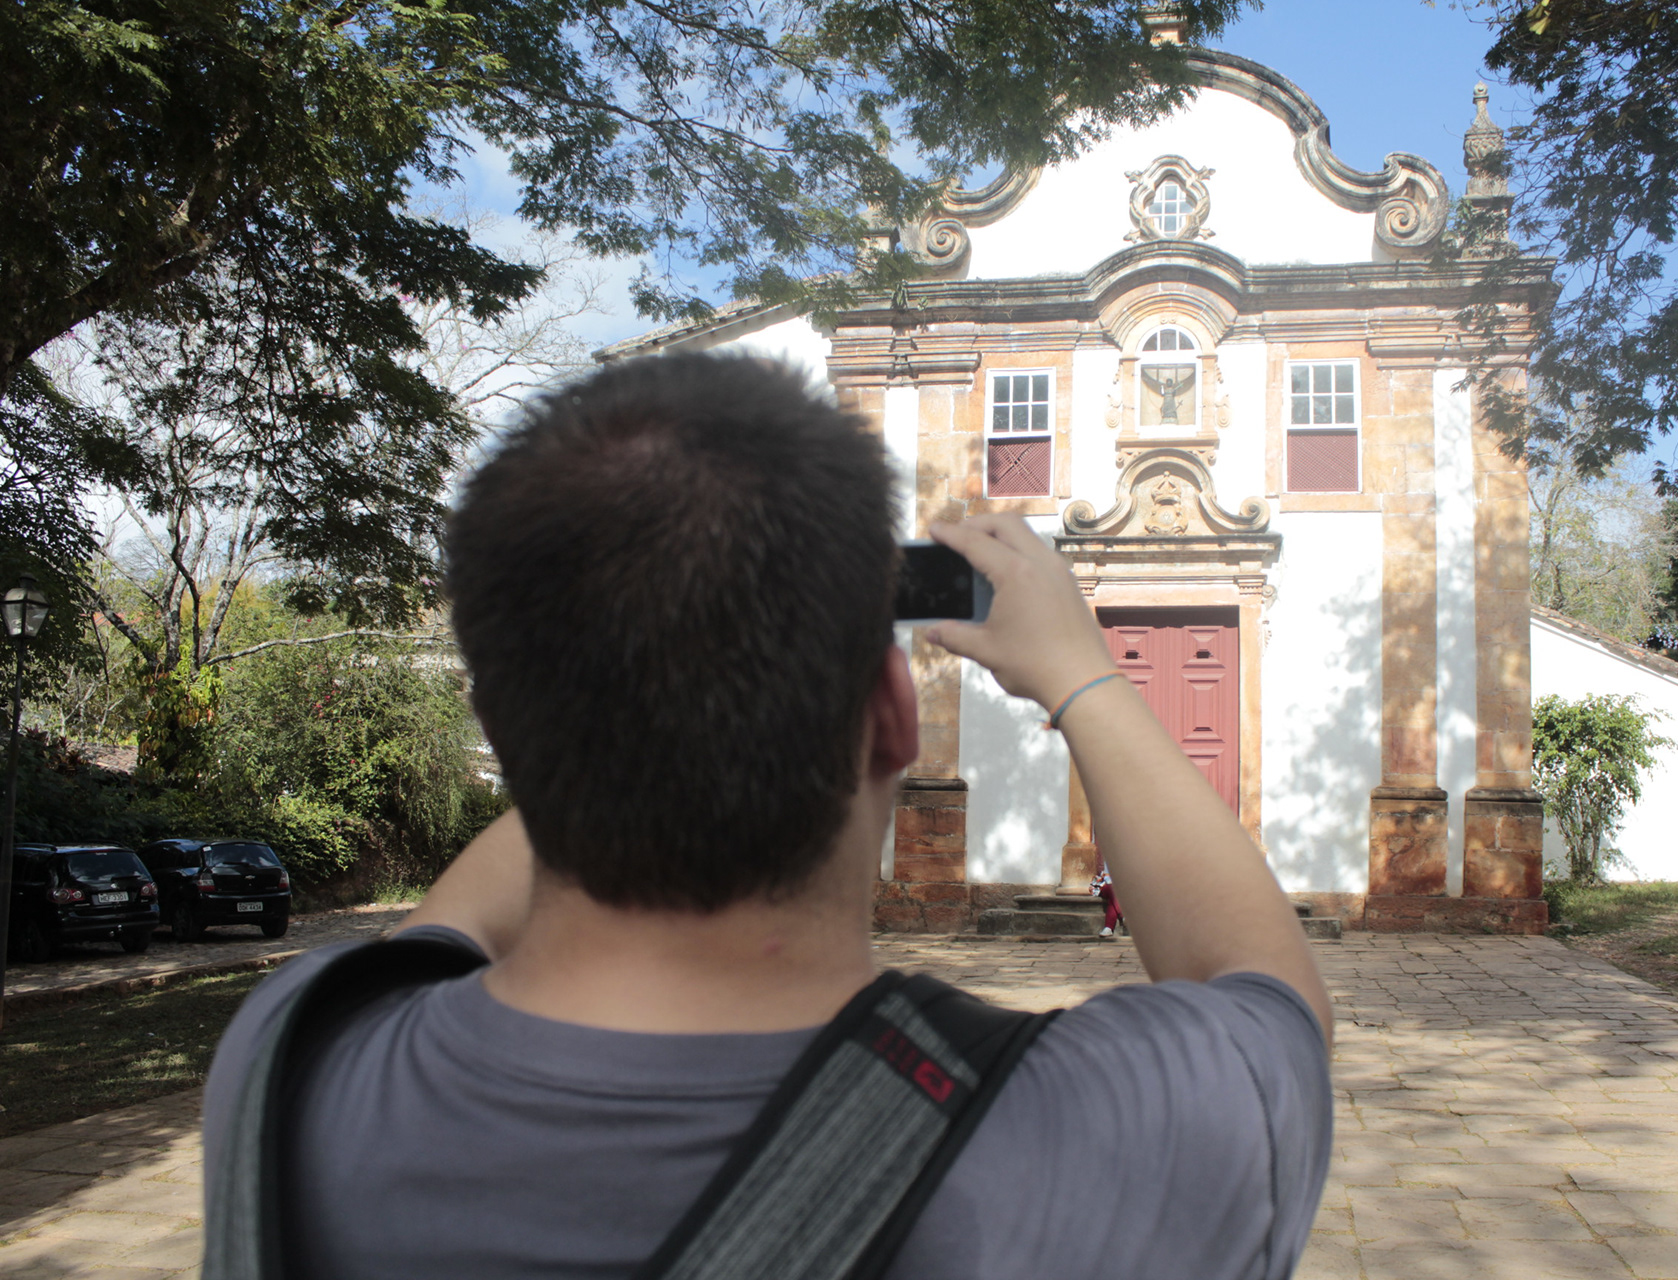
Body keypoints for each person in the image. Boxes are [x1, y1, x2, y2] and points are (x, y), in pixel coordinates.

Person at [202, 353, 1334, 1279]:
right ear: (894, 716)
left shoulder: (297, 1054)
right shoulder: (1114, 1132)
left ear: (501, 722)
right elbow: (1262, 982)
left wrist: (609, 669)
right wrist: (1087, 677)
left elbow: (442, 927)